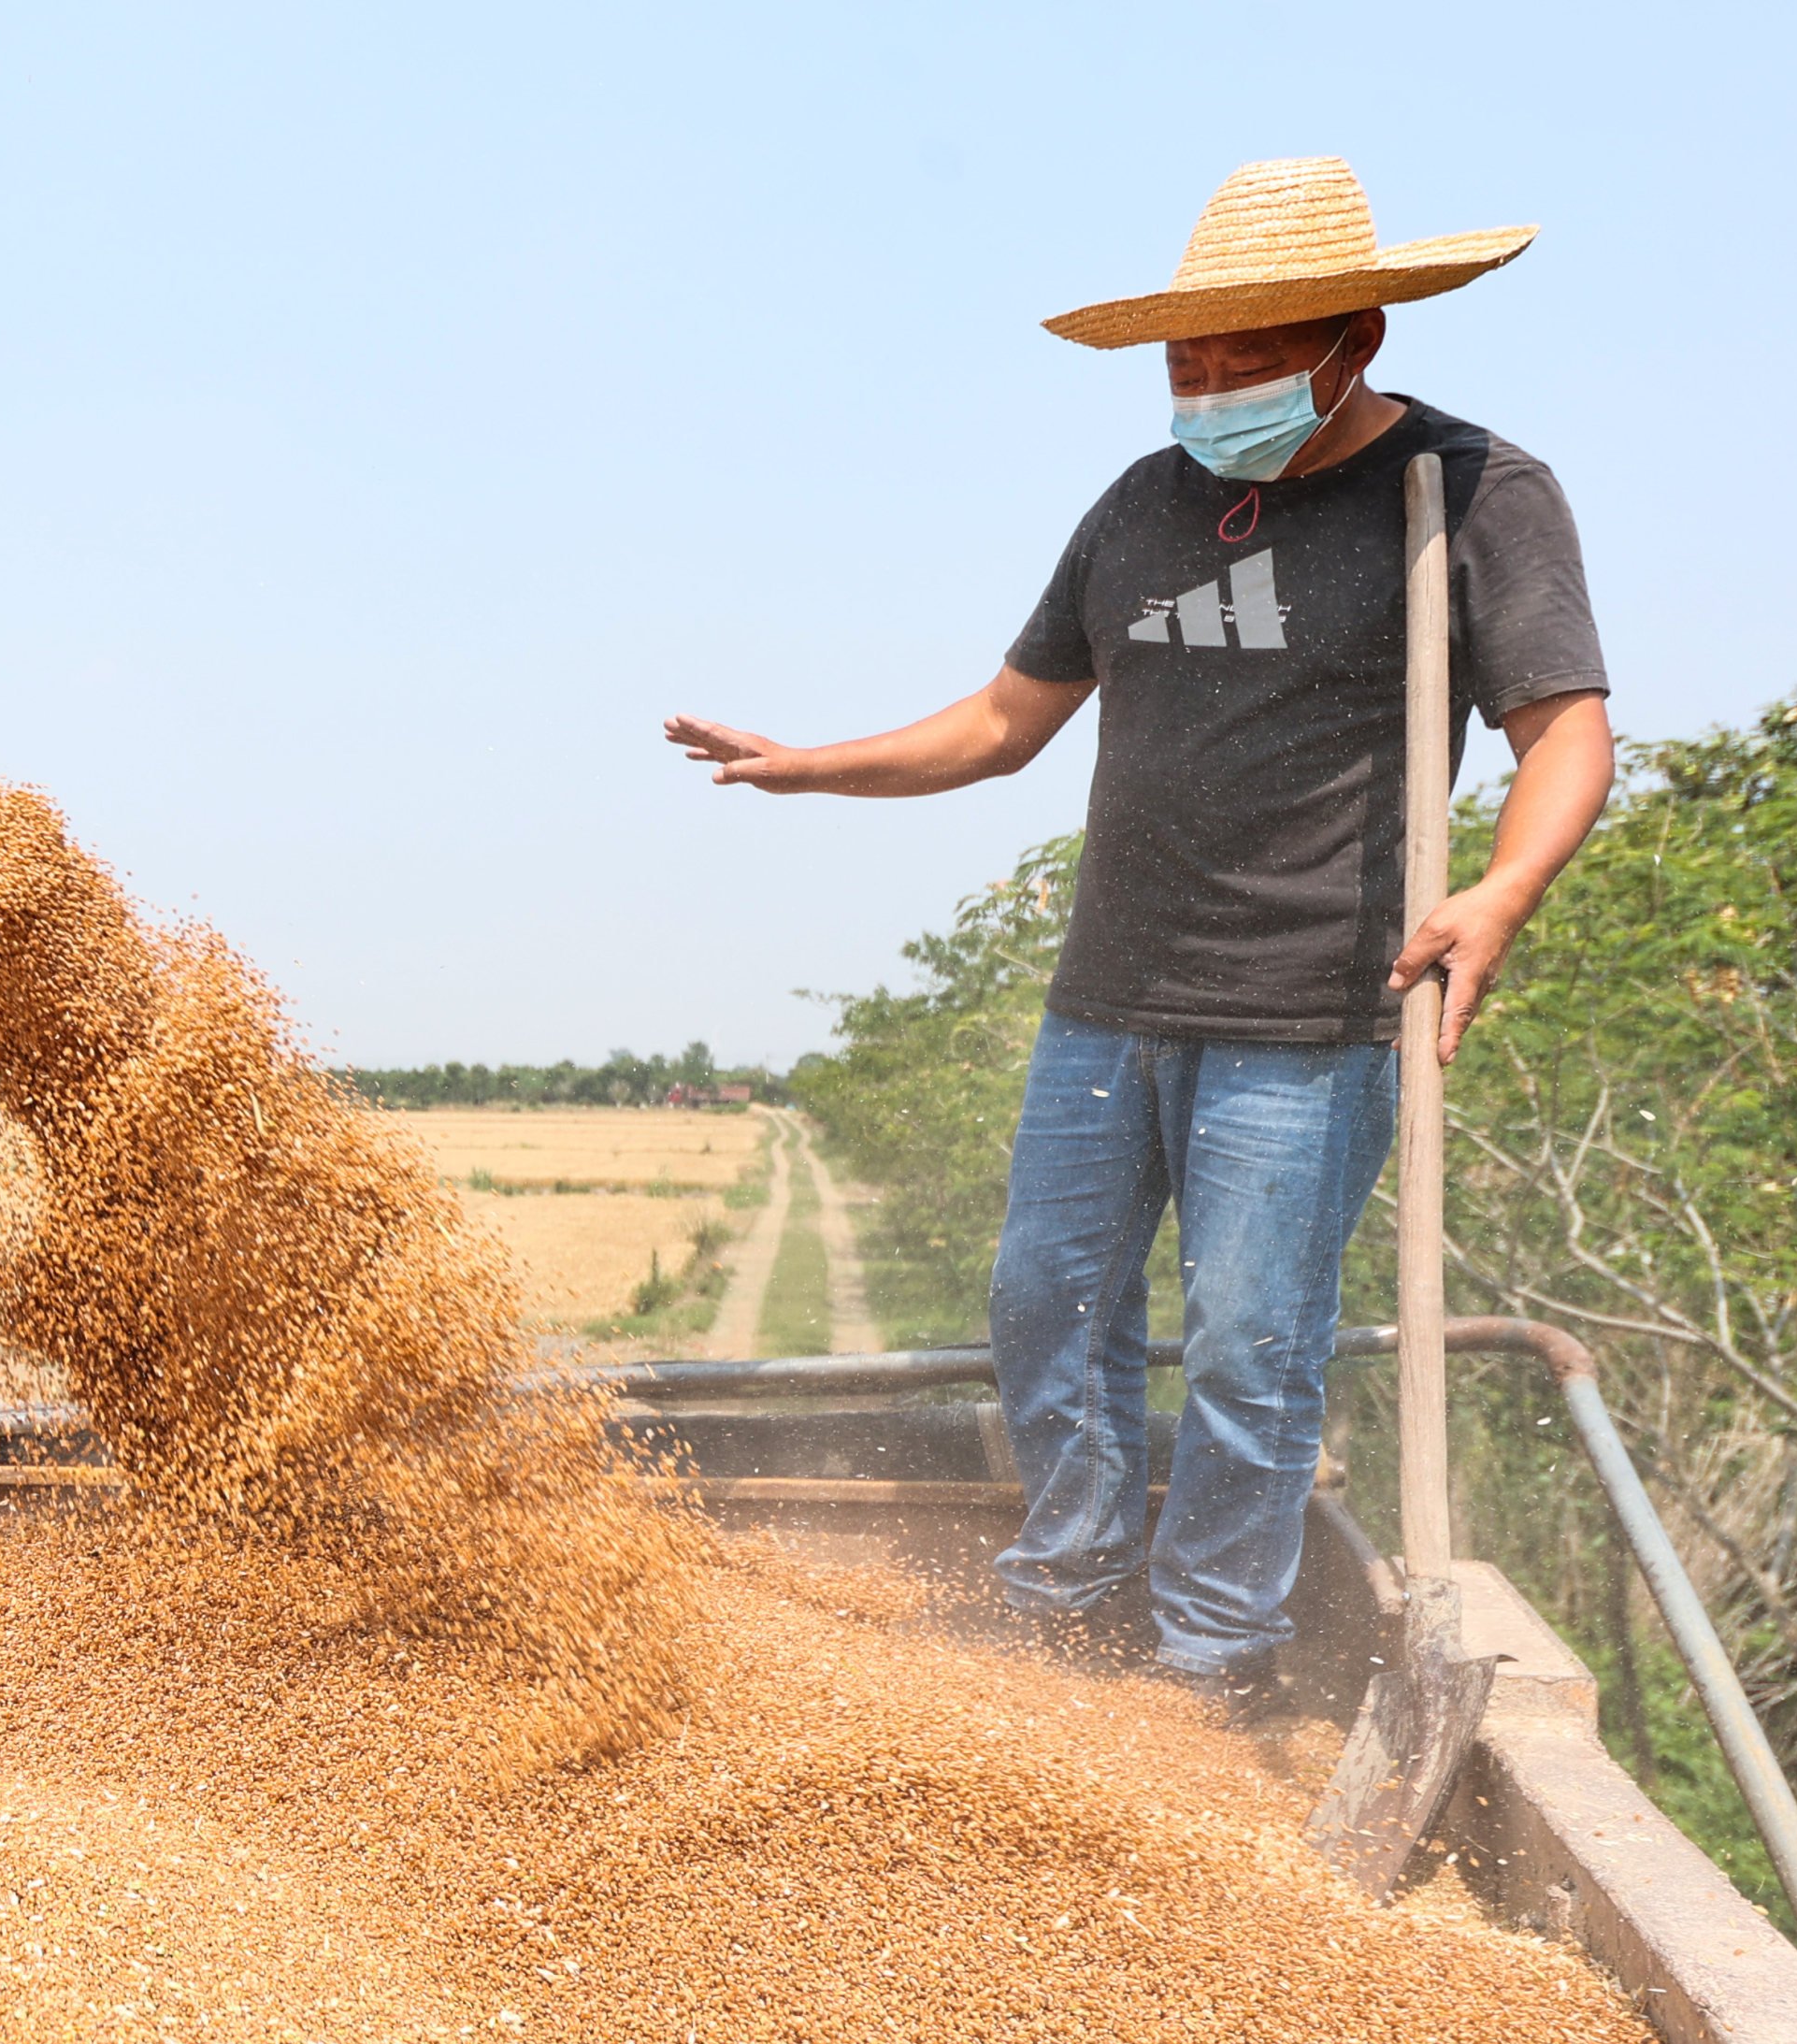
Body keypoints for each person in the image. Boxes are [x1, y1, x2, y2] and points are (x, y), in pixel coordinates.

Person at [665, 157, 1614, 1717]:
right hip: (1108, 997)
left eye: (1250, 357)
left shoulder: (1470, 490)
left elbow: (1564, 726)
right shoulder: (1139, 507)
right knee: (1047, 1303)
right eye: (1191, 358)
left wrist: (1501, 890)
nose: (1212, 386)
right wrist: (806, 762)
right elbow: (997, 722)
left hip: (1312, 1004)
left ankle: (1208, 1656)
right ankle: (1069, 1588)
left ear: (1355, 338)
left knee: (1248, 1343)